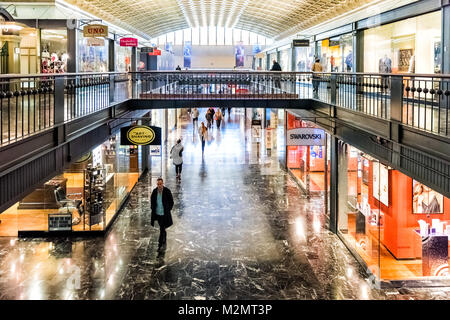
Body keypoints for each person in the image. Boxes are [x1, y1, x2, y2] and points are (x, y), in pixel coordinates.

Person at [151, 178, 174, 252]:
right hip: (158, 214)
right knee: (162, 228)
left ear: (163, 183)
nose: (159, 185)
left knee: (161, 228)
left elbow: (171, 201)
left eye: (160, 184)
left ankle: (160, 244)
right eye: (158, 184)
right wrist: (153, 208)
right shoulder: (154, 192)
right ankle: (164, 237)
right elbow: (152, 202)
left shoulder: (167, 191)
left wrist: (168, 209)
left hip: (164, 214)